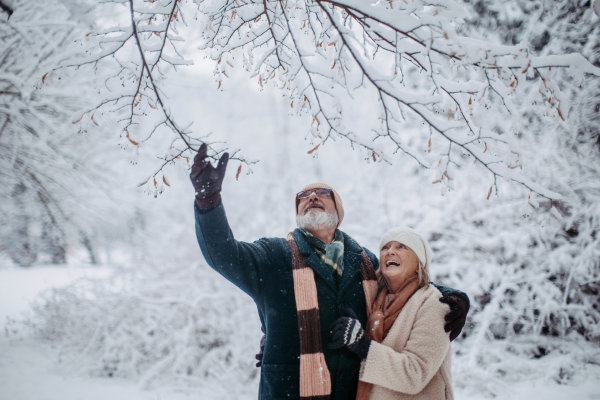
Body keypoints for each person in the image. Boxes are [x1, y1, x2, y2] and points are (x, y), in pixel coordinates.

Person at [190, 144, 469, 400]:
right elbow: (223, 254)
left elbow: (402, 282)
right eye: (303, 196)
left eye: (322, 193)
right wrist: (208, 201)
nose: (311, 196)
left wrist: (451, 296)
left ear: (338, 211)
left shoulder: (364, 262)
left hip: (350, 393)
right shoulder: (274, 256)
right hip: (289, 392)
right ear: (298, 210)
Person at [328, 227, 454, 400]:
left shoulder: (434, 304)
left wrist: (363, 346)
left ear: (419, 263)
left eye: (401, 246)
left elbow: (414, 374)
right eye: (385, 248)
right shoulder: (374, 301)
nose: (390, 252)